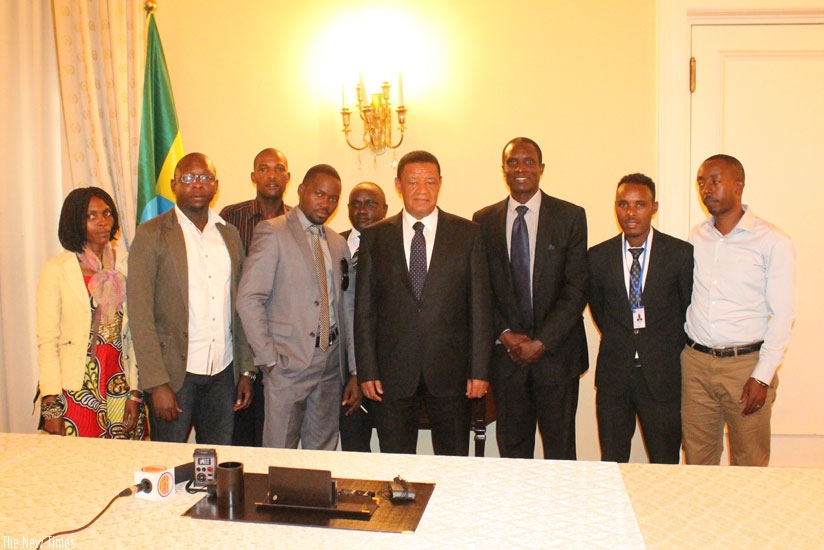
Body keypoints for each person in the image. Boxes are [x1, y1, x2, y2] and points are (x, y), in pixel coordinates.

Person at [356, 150, 493, 456]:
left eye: (430, 181)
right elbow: (365, 310)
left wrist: (480, 370)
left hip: (451, 372)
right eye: (414, 182)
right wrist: (367, 370)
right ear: (398, 185)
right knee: (396, 463)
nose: (422, 189)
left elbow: (480, 308)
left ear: (440, 184)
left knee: (453, 460)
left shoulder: (468, 234)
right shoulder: (375, 237)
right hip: (392, 373)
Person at [128, 152, 255, 445]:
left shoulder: (229, 235)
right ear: (174, 185)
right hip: (173, 376)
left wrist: (247, 371)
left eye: (205, 178)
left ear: (215, 185)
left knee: (216, 463)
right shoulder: (151, 235)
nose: (197, 184)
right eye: (188, 178)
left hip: (223, 374)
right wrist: (157, 384)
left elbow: (240, 309)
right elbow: (140, 314)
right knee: (169, 467)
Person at [473, 137, 588, 460]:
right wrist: (506, 335)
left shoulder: (570, 216)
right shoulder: (483, 221)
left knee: (561, 452)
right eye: (512, 162)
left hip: (557, 357)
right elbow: (482, 289)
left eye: (527, 161)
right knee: (512, 454)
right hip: (506, 361)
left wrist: (541, 342)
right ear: (503, 170)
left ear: (541, 168)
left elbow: (577, 287)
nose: (520, 168)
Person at [682, 154, 795, 466]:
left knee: (750, 465)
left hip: (745, 367)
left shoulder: (772, 241)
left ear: (739, 185)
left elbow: (783, 315)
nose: (706, 188)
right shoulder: (696, 236)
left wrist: (762, 376)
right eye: (701, 182)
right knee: (698, 462)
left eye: (715, 180)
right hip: (696, 364)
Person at [237, 164, 358, 450]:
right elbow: (248, 298)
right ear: (302, 190)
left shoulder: (338, 242)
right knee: (280, 453)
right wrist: (269, 359)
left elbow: (347, 307)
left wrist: (352, 368)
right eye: (319, 194)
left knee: (322, 451)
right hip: (287, 363)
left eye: (333, 198)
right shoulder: (272, 232)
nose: (326, 203)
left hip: (330, 365)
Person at [588, 173, 693, 464]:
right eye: (623, 204)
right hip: (614, 376)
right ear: (615, 207)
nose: (631, 212)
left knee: (665, 462)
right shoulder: (597, 257)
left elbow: (686, 310)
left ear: (654, 207)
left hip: (662, 378)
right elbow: (600, 311)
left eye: (639, 204)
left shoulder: (680, 254)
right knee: (612, 461)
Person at [36, 187, 146, 439]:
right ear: (75, 220)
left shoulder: (127, 263)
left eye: (107, 213)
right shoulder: (57, 269)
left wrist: (135, 391)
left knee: (122, 463)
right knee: (78, 465)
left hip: (119, 380)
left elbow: (138, 334)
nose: (102, 221)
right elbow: (47, 341)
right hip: (76, 385)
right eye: (91, 215)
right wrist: (51, 406)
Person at [220, 147, 291, 447]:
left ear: (288, 177)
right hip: (238, 342)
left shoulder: (297, 222)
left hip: (281, 344)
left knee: (275, 434)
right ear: (253, 176)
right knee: (240, 432)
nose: (271, 175)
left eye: (278, 168)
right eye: (264, 168)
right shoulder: (230, 217)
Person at [339, 182, 388, 452]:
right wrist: (354, 371)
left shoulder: (396, 246)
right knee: (354, 447)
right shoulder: (333, 243)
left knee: (393, 448)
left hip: (388, 367)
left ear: (385, 209)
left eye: (370, 203)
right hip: (344, 369)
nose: (362, 210)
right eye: (356, 203)